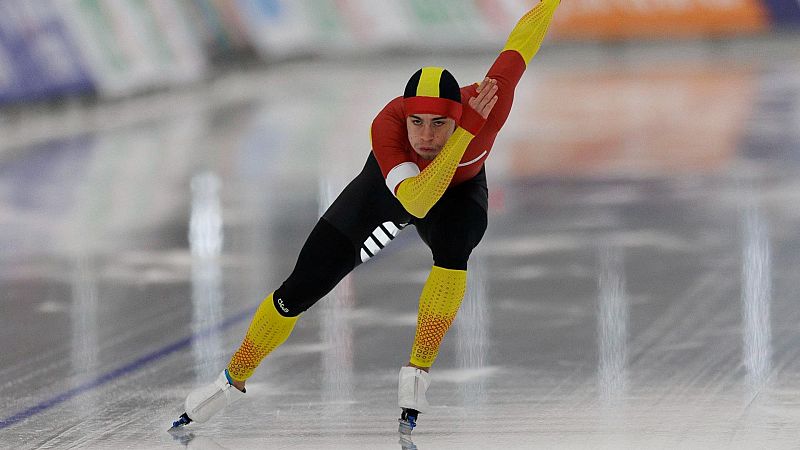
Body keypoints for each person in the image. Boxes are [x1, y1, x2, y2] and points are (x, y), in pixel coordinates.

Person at [170, 0, 561, 435]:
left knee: (458, 242)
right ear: (404, 115)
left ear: (459, 113)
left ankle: (417, 373)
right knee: (299, 289)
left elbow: (525, 36)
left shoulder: (490, 99)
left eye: (439, 124)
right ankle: (230, 380)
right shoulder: (388, 126)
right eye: (418, 122)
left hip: (458, 193)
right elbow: (414, 203)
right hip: (390, 193)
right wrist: (464, 132)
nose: (427, 136)